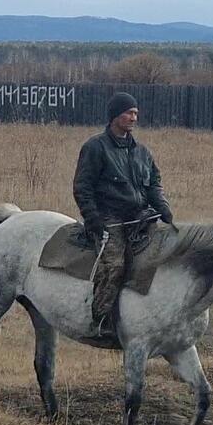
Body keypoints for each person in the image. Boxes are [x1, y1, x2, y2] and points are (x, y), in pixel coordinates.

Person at [73, 91, 173, 337]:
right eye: (129, 112)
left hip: (141, 217)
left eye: (136, 113)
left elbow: (153, 185)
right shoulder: (95, 147)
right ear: (115, 116)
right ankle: (101, 320)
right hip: (110, 219)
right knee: (115, 265)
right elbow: (82, 187)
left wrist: (163, 209)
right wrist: (93, 220)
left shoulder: (142, 152)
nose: (134, 117)